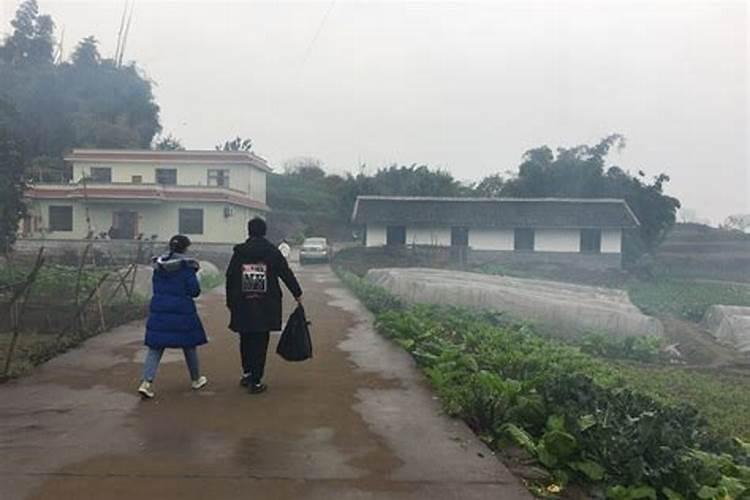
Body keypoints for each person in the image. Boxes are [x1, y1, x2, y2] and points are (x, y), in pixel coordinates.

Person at [225, 218, 302, 394]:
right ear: (264, 231)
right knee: (261, 340)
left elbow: (230, 277)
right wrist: (297, 293)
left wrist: (230, 302)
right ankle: (256, 380)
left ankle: (248, 373)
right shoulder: (272, 252)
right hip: (266, 304)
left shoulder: (239, 253)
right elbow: (285, 273)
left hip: (243, 303)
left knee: (245, 338)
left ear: (249, 231)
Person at [137, 235, 208, 399]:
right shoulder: (187, 267)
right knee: (189, 345)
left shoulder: (159, 266)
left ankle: (145, 383)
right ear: (185, 248)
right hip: (182, 311)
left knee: (155, 347)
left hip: (160, 310)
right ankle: (196, 379)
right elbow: (194, 291)